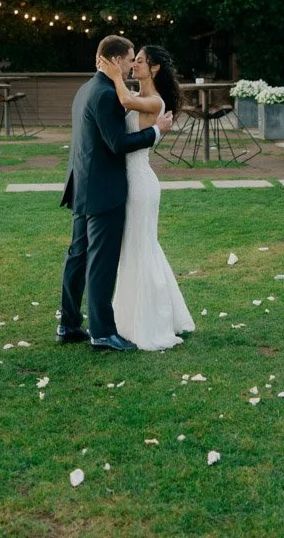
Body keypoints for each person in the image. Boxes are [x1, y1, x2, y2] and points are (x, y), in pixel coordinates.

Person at [58, 35, 174, 351]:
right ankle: (101, 332)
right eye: (130, 59)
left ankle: (68, 324)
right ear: (116, 59)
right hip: (104, 190)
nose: (131, 64)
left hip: (82, 185)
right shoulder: (107, 94)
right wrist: (156, 132)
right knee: (101, 262)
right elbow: (117, 144)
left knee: (78, 255)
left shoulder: (86, 89)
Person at [101, 44, 195, 351]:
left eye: (140, 61)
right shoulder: (139, 96)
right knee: (137, 248)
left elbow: (125, 100)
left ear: (154, 68)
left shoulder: (154, 101)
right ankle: (132, 318)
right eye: (134, 61)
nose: (134, 65)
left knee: (141, 248)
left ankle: (150, 322)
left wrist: (114, 74)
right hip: (130, 180)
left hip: (140, 183)